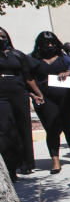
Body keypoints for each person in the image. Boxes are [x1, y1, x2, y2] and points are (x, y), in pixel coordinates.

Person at [29, 31, 70, 173]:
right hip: (46, 99)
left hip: (68, 98)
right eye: (46, 43)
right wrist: (34, 95)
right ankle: (55, 160)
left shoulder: (64, 58)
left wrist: (69, 73)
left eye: (52, 43)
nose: (49, 45)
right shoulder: (33, 59)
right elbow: (28, 78)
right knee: (52, 129)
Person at [0, 27, 43, 179]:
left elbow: (28, 77)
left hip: (19, 94)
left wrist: (37, 93)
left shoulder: (17, 54)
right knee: (5, 130)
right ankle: (11, 167)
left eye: (3, 36)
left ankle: (26, 163)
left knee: (23, 127)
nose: (1, 39)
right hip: (1, 97)